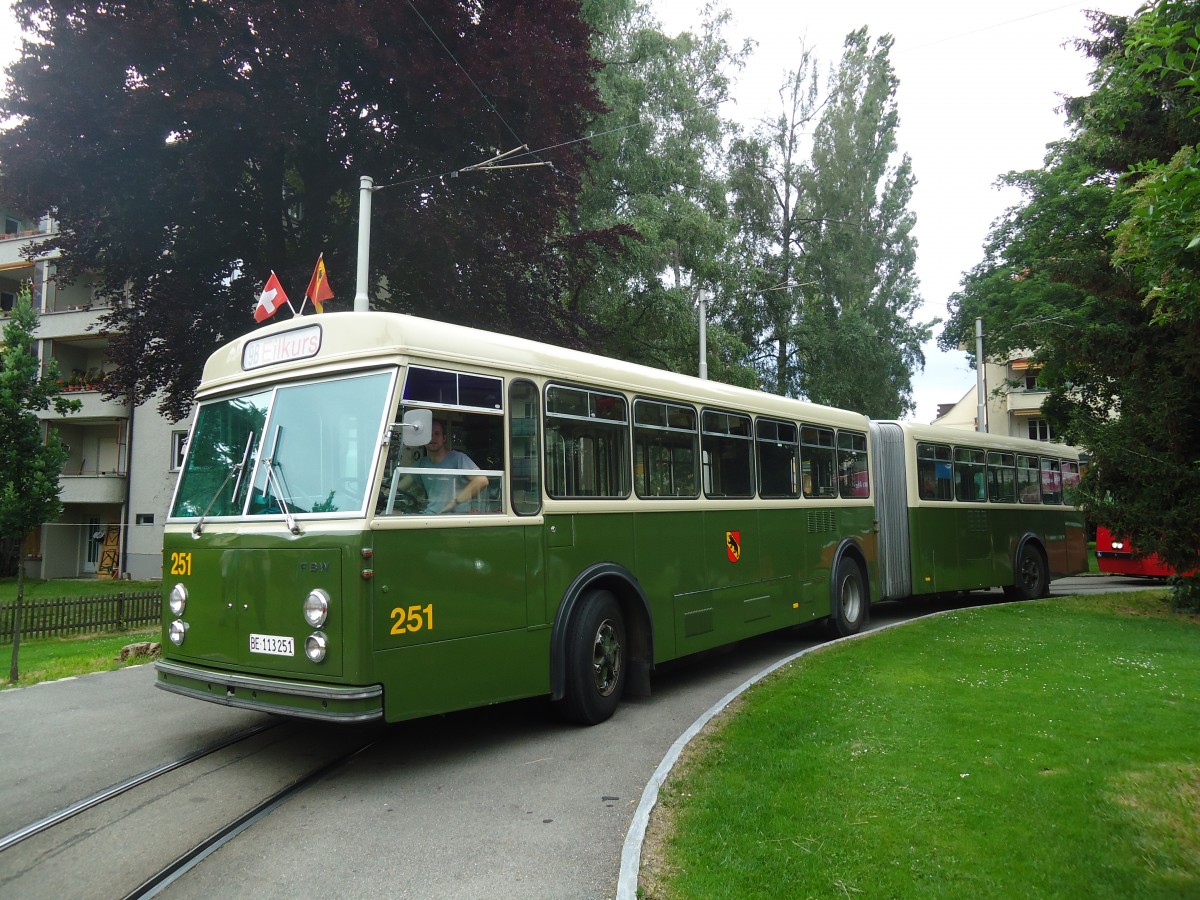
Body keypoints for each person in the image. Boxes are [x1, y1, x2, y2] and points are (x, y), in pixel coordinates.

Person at [401, 418, 489, 514]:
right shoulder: (421, 463)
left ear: (444, 438)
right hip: (431, 515)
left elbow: (481, 480)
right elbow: (400, 486)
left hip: (455, 518)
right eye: (429, 435)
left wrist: (455, 503)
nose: (433, 438)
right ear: (423, 439)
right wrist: (385, 494)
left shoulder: (458, 458)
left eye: (437, 434)